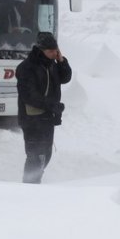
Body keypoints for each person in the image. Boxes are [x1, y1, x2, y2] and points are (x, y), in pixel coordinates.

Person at [16, 32, 72, 183]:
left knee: (45, 155)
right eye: (51, 51)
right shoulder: (26, 68)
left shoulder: (52, 64)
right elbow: (29, 95)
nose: (55, 53)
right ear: (41, 50)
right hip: (31, 119)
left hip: (47, 117)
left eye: (56, 50)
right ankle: (29, 185)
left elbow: (65, 77)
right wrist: (52, 105)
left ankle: (34, 181)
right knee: (35, 155)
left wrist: (61, 61)